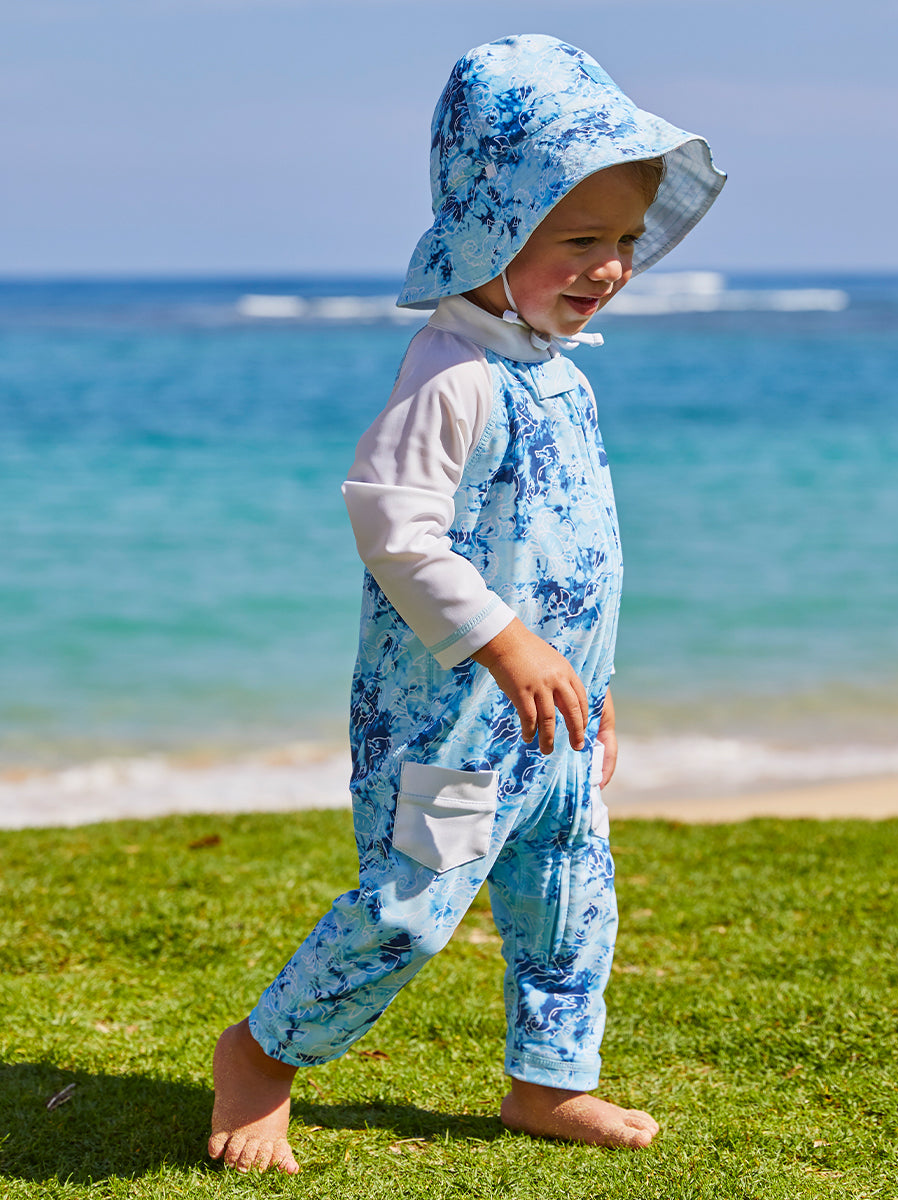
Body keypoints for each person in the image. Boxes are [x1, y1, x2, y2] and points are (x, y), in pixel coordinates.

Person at [208, 33, 725, 1174]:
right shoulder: (451, 371)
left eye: (626, 242)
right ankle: (261, 1054)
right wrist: (499, 642)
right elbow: (392, 524)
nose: (608, 268)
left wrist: (592, 696)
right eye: (578, 240)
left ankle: (550, 1083)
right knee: (405, 909)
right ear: (492, 231)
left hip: (553, 722)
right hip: (450, 724)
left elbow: (574, 561)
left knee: (572, 908)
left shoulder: (562, 373)